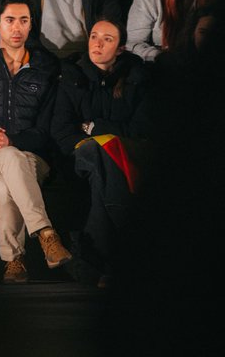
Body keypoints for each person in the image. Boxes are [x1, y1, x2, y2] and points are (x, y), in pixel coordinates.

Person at [0, 0, 71, 283]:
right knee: (7, 158)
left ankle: (14, 261)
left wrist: (11, 141)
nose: (17, 27)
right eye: (10, 20)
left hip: (30, 158)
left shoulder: (45, 69)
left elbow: (46, 132)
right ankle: (46, 233)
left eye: (24, 20)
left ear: (31, 24)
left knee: (4, 185)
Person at [53, 19, 150, 283]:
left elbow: (139, 129)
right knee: (97, 154)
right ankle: (122, 243)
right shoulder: (72, 76)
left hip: (125, 154)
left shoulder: (136, 78)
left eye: (107, 39)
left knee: (101, 174)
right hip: (77, 154)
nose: (97, 43)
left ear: (120, 48)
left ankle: (95, 262)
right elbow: (61, 131)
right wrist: (95, 137)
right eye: (94, 36)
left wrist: (94, 126)